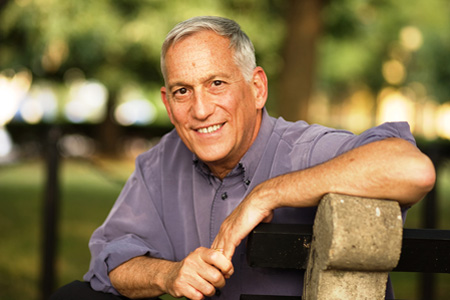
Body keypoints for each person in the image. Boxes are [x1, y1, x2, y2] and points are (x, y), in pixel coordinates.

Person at [51, 16, 435, 300]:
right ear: (168, 105)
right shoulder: (160, 163)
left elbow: (412, 169)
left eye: (216, 83)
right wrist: (169, 275)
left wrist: (267, 194)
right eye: (183, 91)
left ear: (257, 88)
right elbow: (112, 260)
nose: (200, 109)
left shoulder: (304, 150)